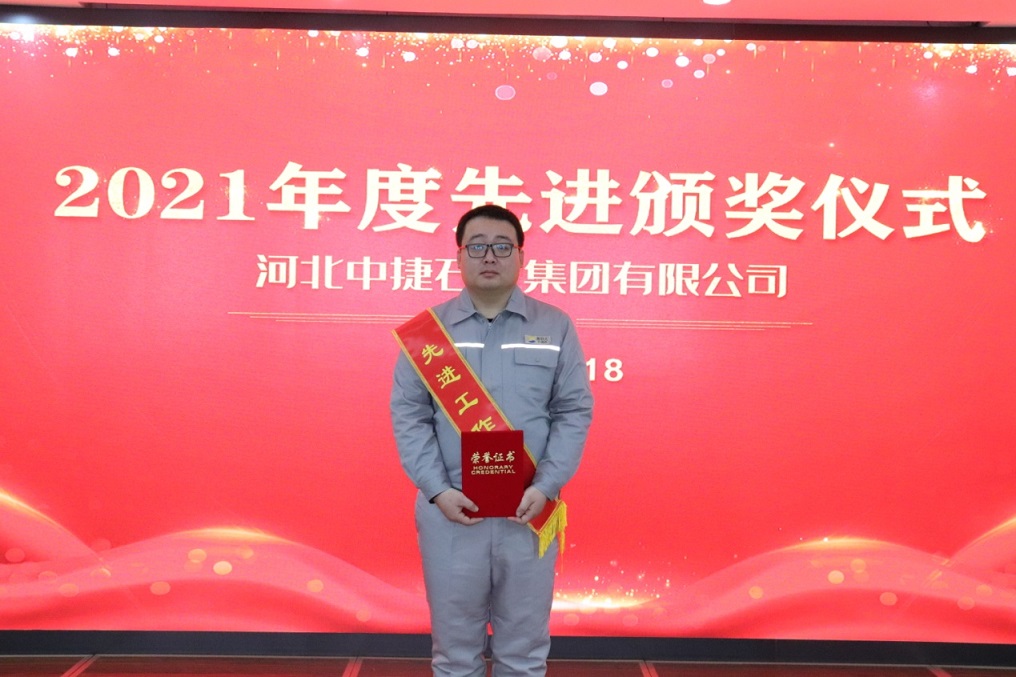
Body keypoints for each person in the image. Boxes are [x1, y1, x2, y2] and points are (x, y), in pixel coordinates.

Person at [390, 204, 594, 677]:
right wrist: (437, 490)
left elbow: (573, 411)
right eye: (477, 246)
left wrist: (546, 485)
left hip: (529, 509)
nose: (489, 256)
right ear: (458, 256)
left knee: (524, 651)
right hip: (451, 513)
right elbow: (410, 417)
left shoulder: (554, 325)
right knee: (454, 652)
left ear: (521, 256)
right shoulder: (428, 332)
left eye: (502, 247)